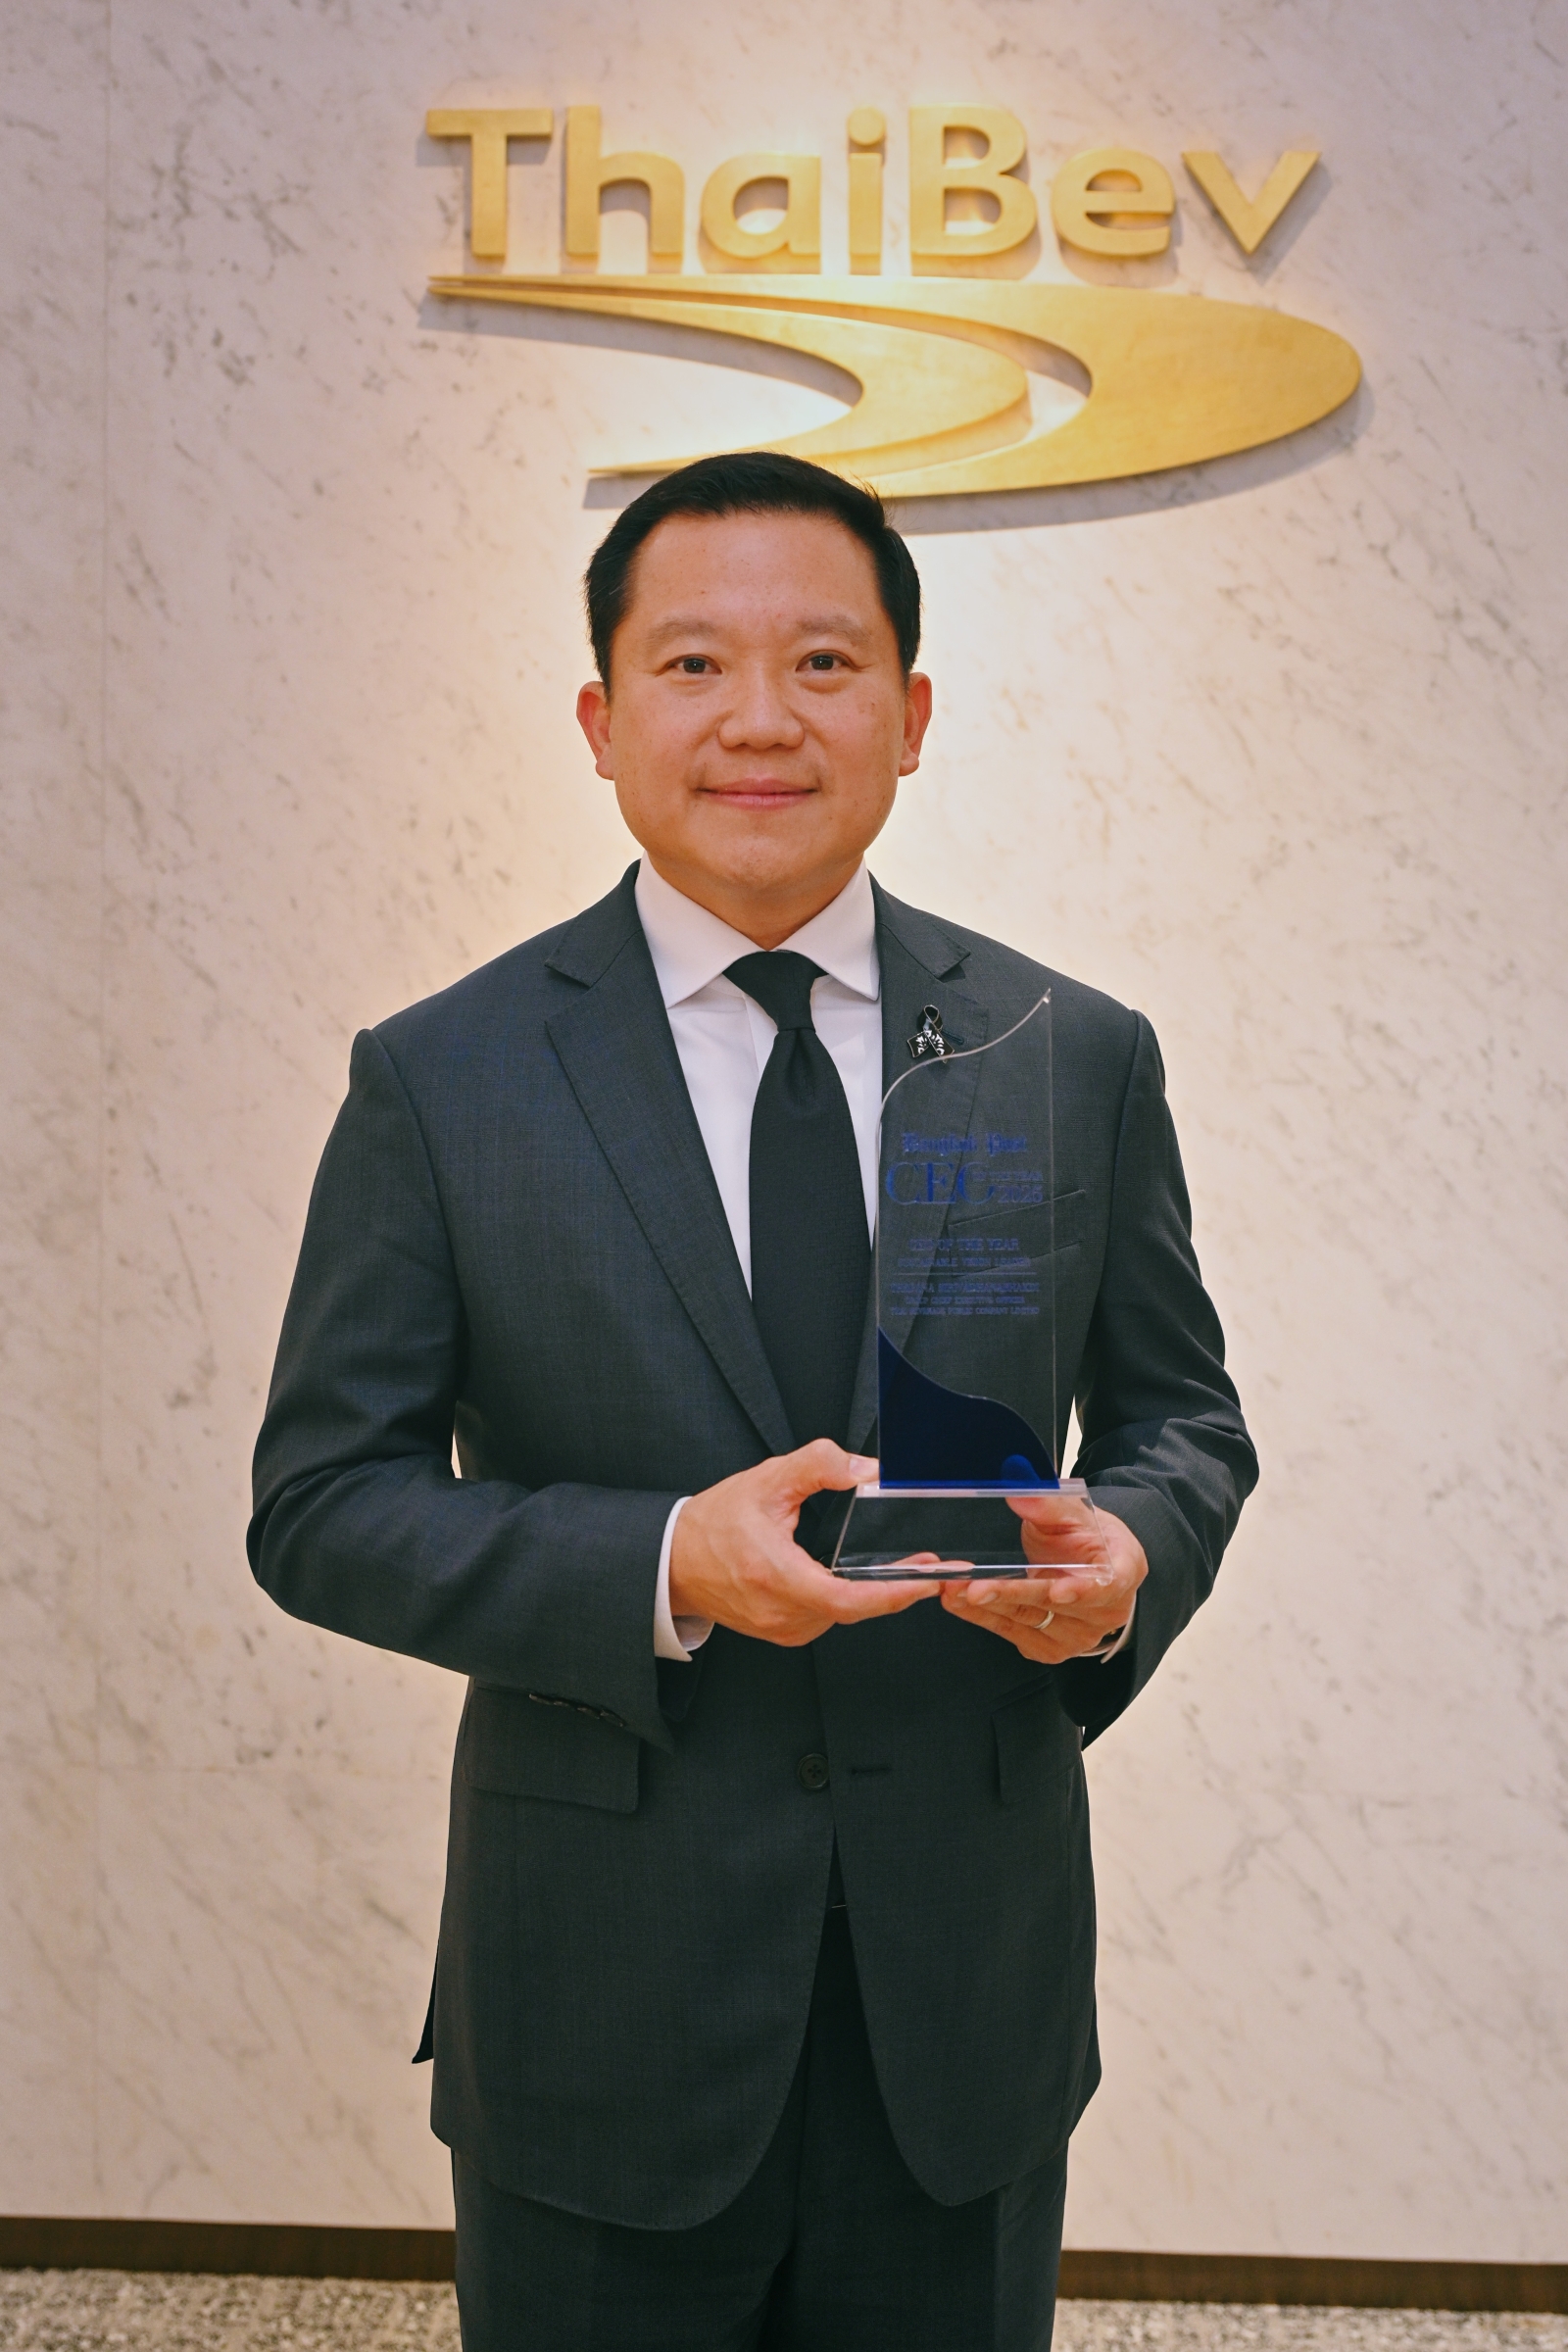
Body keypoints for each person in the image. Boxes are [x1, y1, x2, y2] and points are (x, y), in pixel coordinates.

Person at [249, 451, 1256, 2351]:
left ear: (911, 715)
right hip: (598, 1995)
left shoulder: (1068, 1053)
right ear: (601, 722)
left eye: (823, 662)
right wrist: (662, 1567)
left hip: (963, 2000)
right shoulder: (446, 1078)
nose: (761, 721)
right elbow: (320, 1502)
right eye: (695, 664)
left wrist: (1127, 1558)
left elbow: (1182, 1424)